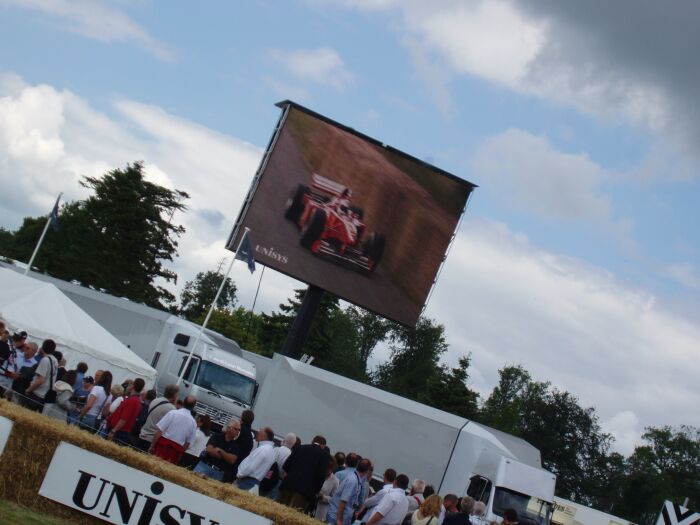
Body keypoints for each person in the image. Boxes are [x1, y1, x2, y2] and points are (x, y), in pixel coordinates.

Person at [278, 434, 331, 511]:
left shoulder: (300, 447)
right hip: (304, 492)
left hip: (288, 485)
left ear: (313, 441)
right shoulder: (324, 455)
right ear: (323, 446)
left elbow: (286, 466)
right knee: (292, 515)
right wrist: (315, 491)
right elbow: (320, 476)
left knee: (278, 510)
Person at [149, 395, 198, 464]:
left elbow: (159, 431)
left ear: (183, 403)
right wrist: (179, 455)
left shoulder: (173, 413)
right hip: (175, 452)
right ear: (193, 406)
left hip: (162, 446)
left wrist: (152, 445)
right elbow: (187, 443)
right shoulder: (193, 423)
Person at [327, 457, 372, 525]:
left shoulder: (356, 479)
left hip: (342, 517)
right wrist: (339, 520)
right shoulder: (353, 481)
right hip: (336, 518)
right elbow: (343, 501)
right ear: (367, 471)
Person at [137, 384, 179, 451]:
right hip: (153, 440)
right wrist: (174, 404)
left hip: (143, 434)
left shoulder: (155, 400)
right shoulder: (172, 409)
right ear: (174, 395)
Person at [235, 427, 276, 491]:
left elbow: (251, 467)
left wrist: (239, 475)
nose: (257, 434)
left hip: (247, 481)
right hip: (254, 482)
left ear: (264, 436)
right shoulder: (271, 451)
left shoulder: (263, 449)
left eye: (259, 433)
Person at [105, 377, 145, 445]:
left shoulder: (132, 400)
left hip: (119, 432)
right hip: (122, 431)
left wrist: (113, 431)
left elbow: (124, 419)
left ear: (133, 386)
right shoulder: (136, 401)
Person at [24, 339, 58, 412]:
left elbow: (40, 380)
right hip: (44, 395)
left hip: (36, 394)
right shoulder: (55, 360)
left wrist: (29, 389)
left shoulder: (45, 360)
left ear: (43, 347)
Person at [260, 432, 296, 499]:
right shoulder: (291, 455)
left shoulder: (276, 449)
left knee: (260, 496)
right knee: (270, 501)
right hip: (278, 481)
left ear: (284, 440)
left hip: (267, 477)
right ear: (293, 444)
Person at [232, 409, 255, 476]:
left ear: (242, 418)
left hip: (228, 464)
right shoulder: (251, 437)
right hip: (238, 466)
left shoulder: (239, 430)